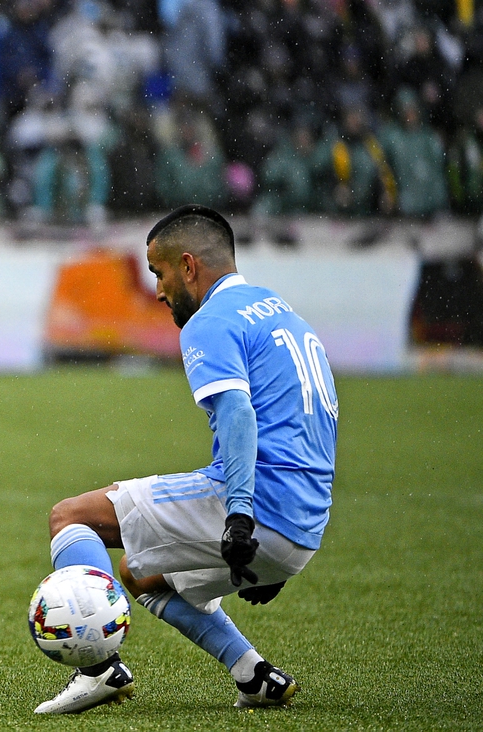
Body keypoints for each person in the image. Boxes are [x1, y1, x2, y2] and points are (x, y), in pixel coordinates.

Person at [35, 204, 337, 714]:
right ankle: (254, 675)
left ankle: (98, 670)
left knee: (70, 517)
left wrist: (241, 514)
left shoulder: (209, 321)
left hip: (253, 508)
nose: (156, 290)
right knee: (138, 573)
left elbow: (239, 412)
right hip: (303, 528)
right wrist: (280, 554)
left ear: (190, 266)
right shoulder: (281, 312)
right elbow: (318, 418)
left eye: (159, 271)